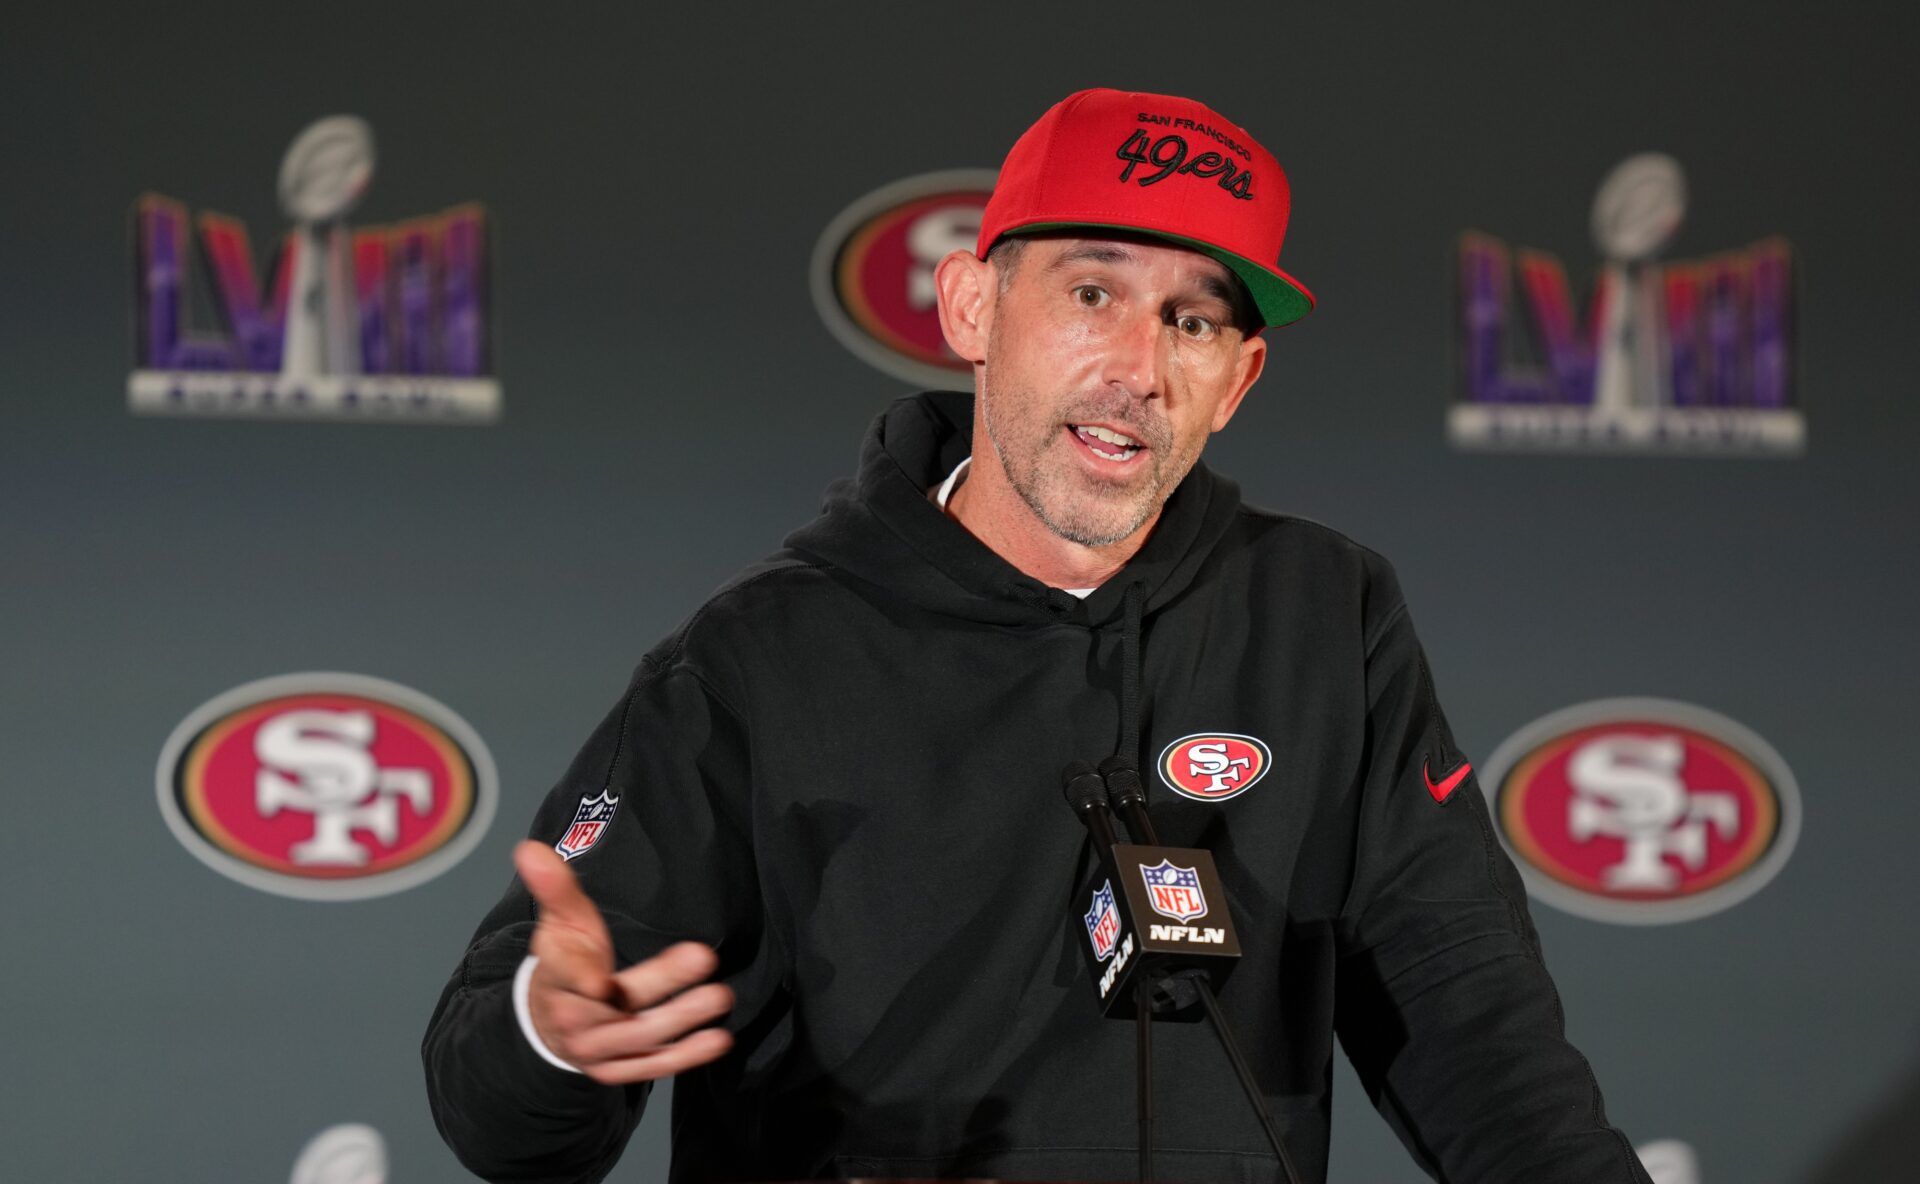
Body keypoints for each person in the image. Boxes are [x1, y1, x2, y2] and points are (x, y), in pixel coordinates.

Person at [423, 87, 1651, 1184]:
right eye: (1092, 291)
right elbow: (501, 1113)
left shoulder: (1326, 616)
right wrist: (550, 1030)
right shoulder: (759, 657)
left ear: (1239, 378)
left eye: (1194, 321)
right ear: (972, 305)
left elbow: (1468, 1019)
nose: (1139, 368)